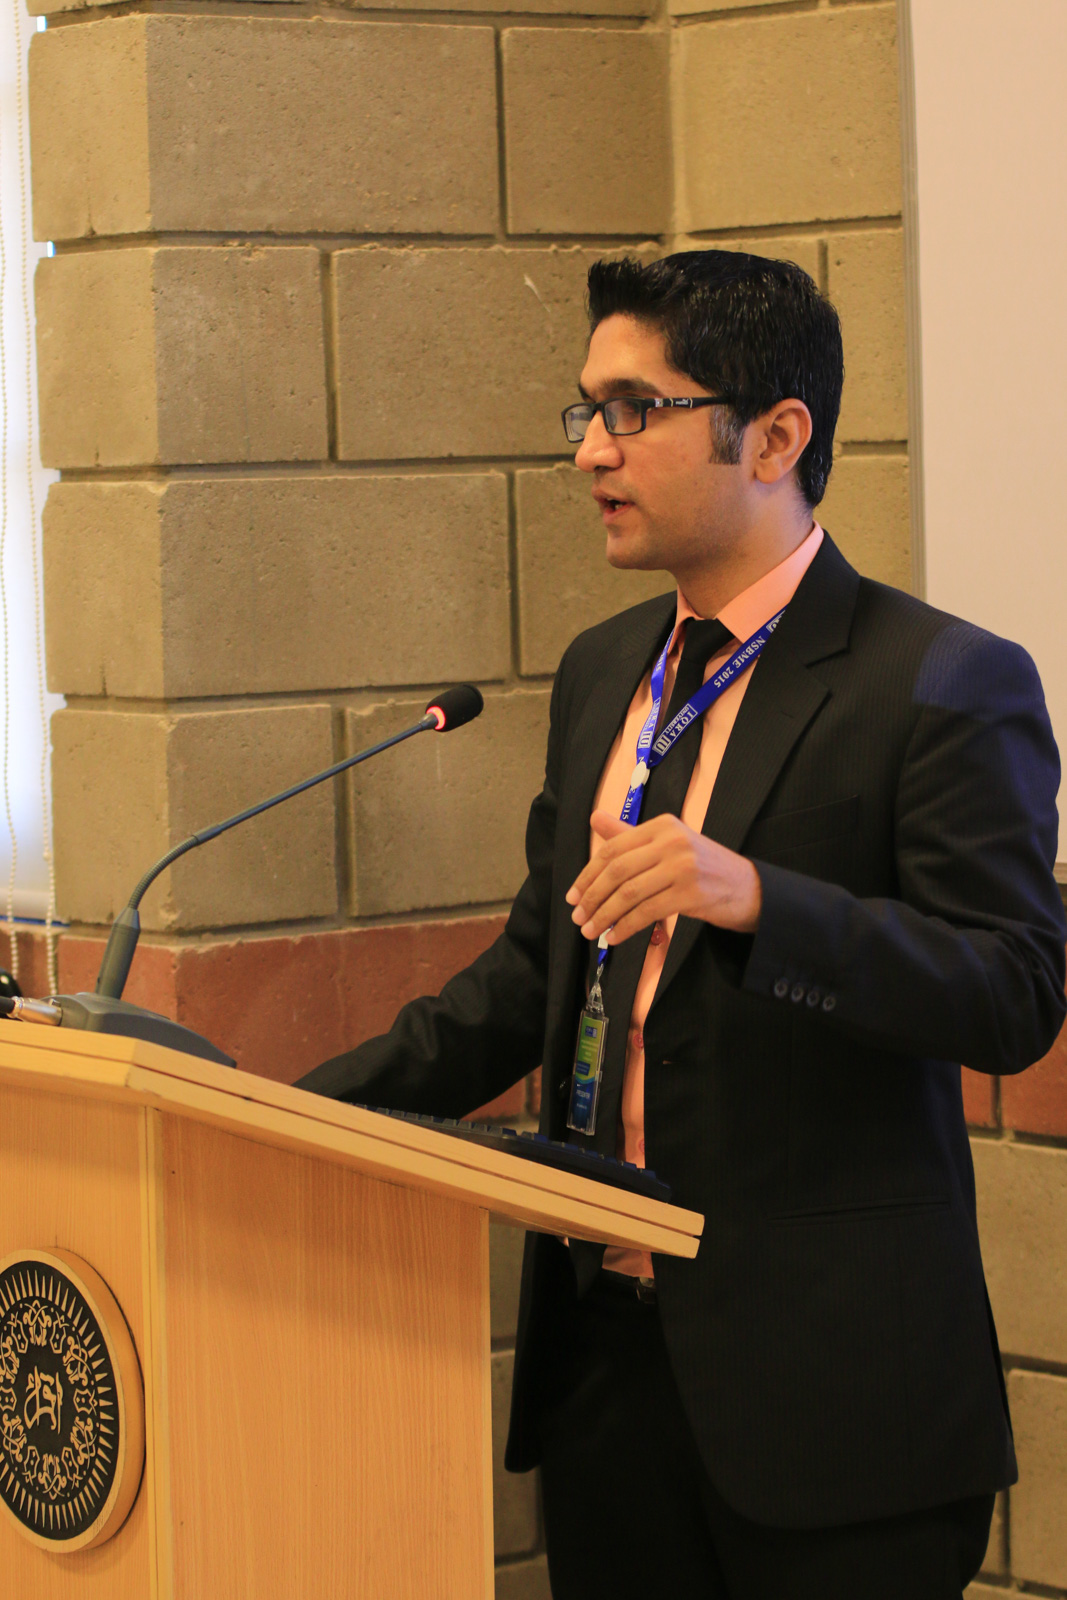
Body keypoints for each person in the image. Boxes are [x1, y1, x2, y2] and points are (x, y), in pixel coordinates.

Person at [296, 252, 1067, 1599]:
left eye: (634, 411)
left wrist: (763, 901)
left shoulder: (942, 680)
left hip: (833, 1407)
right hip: (609, 1371)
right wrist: (288, 1115)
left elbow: (1011, 992)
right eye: (586, 411)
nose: (591, 450)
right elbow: (535, 973)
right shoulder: (606, 671)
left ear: (776, 436)